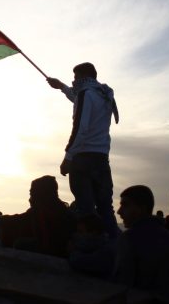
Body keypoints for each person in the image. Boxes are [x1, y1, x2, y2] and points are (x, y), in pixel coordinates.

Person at [47, 62, 120, 239]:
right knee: (105, 209)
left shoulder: (86, 94)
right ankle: (117, 249)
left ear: (83, 76)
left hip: (82, 160)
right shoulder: (103, 94)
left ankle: (91, 253)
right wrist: (61, 87)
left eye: (75, 77)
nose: (74, 81)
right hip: (102, 159)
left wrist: (68, 157)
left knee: (86, 211)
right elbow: (78, 98)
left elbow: (80, 128)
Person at [114, 185, 169, 303]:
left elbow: (122, 287)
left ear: (142, 208)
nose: (119, 211)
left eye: (125, 205)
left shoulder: (129, 239)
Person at [0, 175, 76, 257]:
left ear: (39, 193)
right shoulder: (61, 208)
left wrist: (2, 220)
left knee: (19, 243)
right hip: (57, 249)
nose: (30, 197)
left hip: (51, 250)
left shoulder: (41, 209)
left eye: (32, 193)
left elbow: (20, 219)